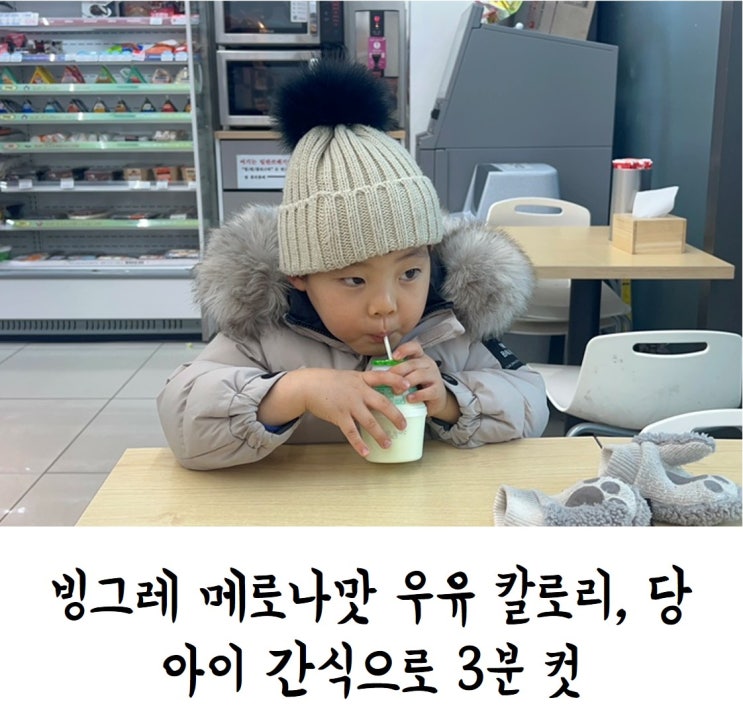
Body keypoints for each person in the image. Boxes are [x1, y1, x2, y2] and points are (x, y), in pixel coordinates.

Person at [157, 60, 549, 470]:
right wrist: (295, 391)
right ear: (300, 276)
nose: (386, 305)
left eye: (410, 273)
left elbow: (532, 404)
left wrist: (450, 399)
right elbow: (183, 420)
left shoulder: (449, 325)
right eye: (354, 279)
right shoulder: (265, 330)